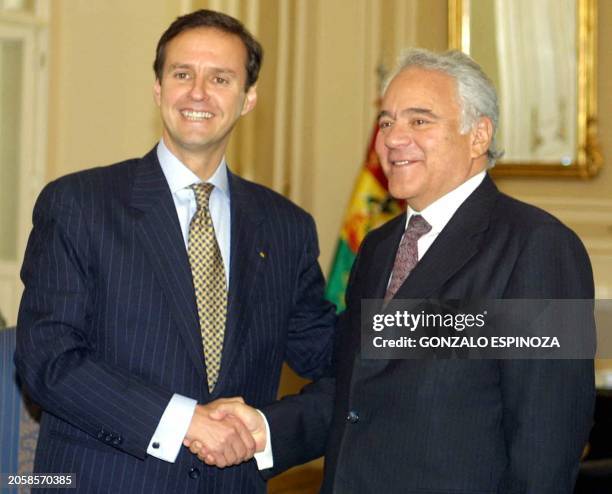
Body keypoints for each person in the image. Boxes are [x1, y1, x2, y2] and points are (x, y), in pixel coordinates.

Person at [205, 49, 595, 493]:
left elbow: (545, 441)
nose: (392, 138)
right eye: (387, 122)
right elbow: (359, 388)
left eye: (419, 121)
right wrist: (264, 428)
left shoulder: (538, 248)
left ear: (478, 135)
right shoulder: (378, 247)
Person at [15, 9, 335, 494]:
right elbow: (47, 359)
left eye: (220, 78)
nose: (198, 92)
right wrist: (184, 422)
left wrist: (267, 431)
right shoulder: (80, 205)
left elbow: (340, 363)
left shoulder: (286, 228)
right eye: (182, 74)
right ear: (158, 88)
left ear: (249, 98)